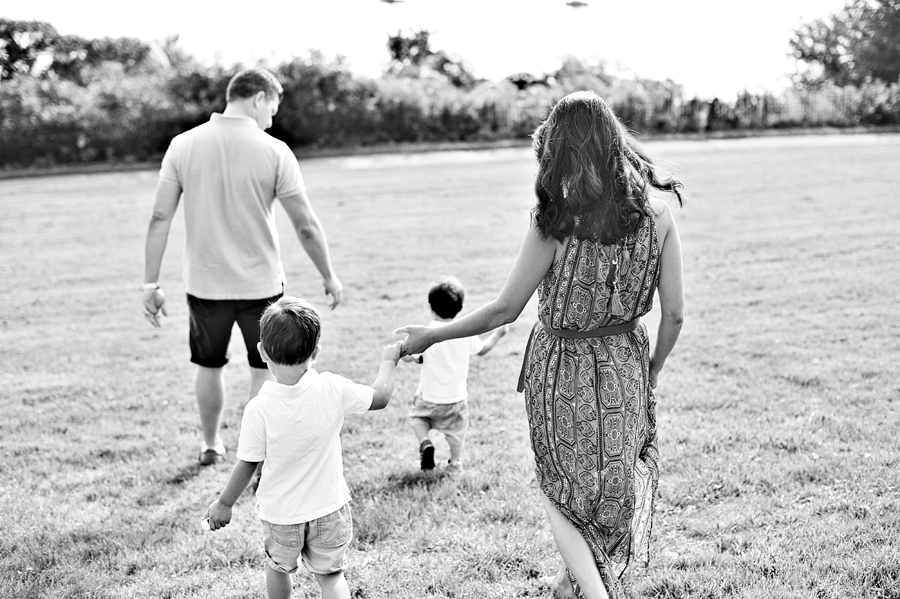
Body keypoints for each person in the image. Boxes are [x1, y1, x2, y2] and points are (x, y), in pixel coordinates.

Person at [395, 90, 685, 599]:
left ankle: (592, 594)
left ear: (558, 150)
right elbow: (675, 313)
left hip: (562, 367)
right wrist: (652, 369)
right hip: (626, 362)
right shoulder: (658, 215)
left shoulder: (554, 221)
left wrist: (432, 334)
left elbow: (504, 310)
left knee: (561, 486)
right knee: (607, 486)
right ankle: (573, 587)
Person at [141, 67, 343, 466]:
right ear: (258, 98)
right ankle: (256, 451)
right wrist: (328, 275)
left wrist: (150, 284)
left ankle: (211, 444)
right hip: (261, 287)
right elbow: (305, 225)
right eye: (274, 105)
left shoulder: (183, 144)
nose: (273, 117)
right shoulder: (274, 150)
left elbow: (159, 218)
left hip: (205, 286)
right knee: (262, 369)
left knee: (208, 365)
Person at [203, 297, 401, 599]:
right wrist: (389, 361)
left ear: (261, 353)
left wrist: (225, 503)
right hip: (329, 508)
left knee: (279, 569)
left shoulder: (259, 408)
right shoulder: (333, 387)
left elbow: (247, 464)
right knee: (332, 576)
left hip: (281, 515)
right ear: (316, 353)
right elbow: (381, 397)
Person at [402, 276, 508, 472]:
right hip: (456, 400)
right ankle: (454, 463)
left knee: (418, 419)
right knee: (457, 433)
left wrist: (406, 355)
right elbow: (482, 349)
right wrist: (497, 334)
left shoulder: (427, 332)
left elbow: (413, 356)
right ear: (460, 307)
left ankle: (425, 443)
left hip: (428, 398)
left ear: (431, 306)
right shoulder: (464, 330)